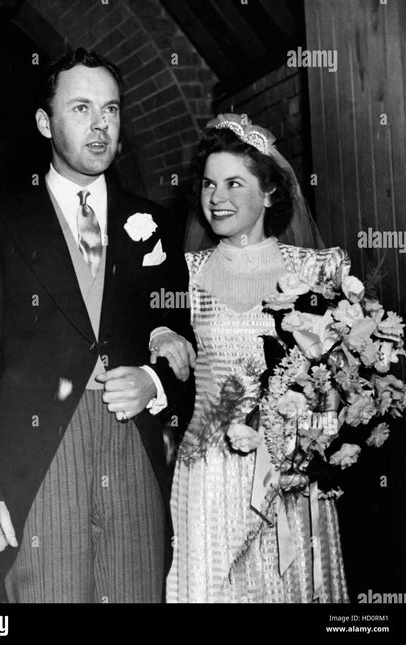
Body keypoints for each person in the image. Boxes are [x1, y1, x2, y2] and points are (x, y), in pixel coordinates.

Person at [0, 47, 195, 603]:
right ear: (45, 122)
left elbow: (181, 340)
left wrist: (153, 383)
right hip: (36, 462)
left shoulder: (153, 223)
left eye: (110, 109)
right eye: (81, 108)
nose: (100, 125)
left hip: (131, 449)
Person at [155, 114, 350, 602]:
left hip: (288, 475)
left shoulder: (313, 271)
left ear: (269, 193)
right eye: (209, 184)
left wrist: (303, 442)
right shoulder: (186, 276)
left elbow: (337, 381)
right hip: (206, 478)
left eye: (234, 183)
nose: (217, 197)